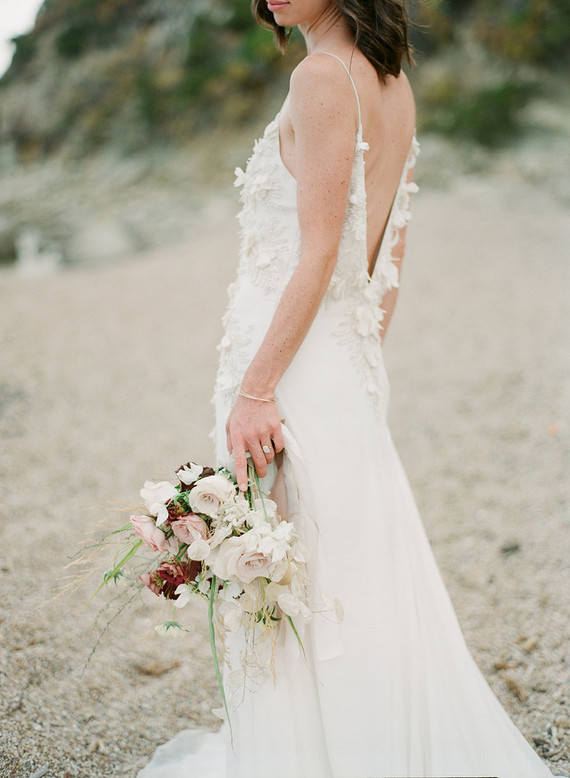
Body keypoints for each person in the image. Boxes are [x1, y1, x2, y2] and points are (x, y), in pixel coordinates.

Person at [138, 1, 562, 776]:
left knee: (297, 579)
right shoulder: (392, 83)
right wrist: (358, 359)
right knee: (333, 574)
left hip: (292, 370)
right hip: (336, 360)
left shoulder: (322, 77)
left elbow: (322, 253)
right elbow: (386, 255)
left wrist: (260, 389)